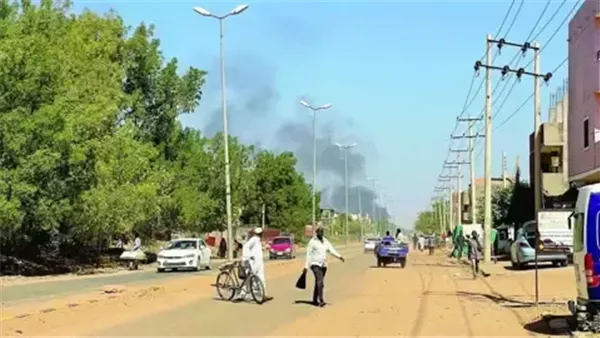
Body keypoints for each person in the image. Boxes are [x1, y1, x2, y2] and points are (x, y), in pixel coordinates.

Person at [304, 227, 344, 307]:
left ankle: (315, 299)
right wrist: (306, 266)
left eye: (322, 232)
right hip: (315, 264)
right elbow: (308, 254)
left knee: (319, 282)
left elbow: (331, 250)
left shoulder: (325, 241)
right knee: (320, 281)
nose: (321, 233)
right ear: (316, 233)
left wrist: (339, 256)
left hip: (323, 265)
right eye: (319, 232)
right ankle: (321, 300)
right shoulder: (312, 242)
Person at [239, 228, 269, 300]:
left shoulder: (258, 240)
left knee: (260, 278)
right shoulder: (254, 239)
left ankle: (263, 294)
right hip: (253, 263)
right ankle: (243, 294)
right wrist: (249, 256)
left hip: (258, 262)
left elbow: (256, 250)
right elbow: (246, 247)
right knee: (250, 278)